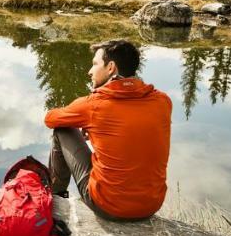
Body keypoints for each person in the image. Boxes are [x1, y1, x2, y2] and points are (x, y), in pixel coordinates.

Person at [43, 40, 172, 220]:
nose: (90, 71)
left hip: (108, 206)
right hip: (151, 205)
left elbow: (50, 118)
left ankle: (56, 198)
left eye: (95, 64)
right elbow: (134, 130)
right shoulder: (162, 101)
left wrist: (83, 122)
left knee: (62, 130)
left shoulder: (95, 105)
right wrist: (94, 127)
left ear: (111, 67)